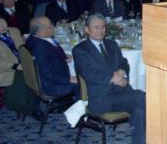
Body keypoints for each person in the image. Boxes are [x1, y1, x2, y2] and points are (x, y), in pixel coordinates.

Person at [73, 14, 146, 144]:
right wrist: (113, 79)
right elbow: (89, 73)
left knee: (139, 110)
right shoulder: (80, 50)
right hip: (102, 98)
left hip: (122, 92)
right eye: (96, 27)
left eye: (103, 27)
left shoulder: (111, 44)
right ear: (87, 30)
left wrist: (122, 72)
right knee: (143, 97)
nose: (101, 30)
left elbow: (124, 62)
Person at [26, 17, 78, 99]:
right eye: (50, 27)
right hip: (53, 85)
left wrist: (62, 57)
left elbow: (49, 56)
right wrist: (69, 79)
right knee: (85, 80)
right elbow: (48, 74)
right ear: (40, 31)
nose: (53, 28)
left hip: (58, 72)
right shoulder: (39, 48)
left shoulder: (35, 38)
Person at [0, 18, 34, 113]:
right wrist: (16, 66)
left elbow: (23, 48)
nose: (3, 26)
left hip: (22, 63)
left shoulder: (14, 31)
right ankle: (24, 106)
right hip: (5, 70)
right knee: (26, 78)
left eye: (4, 23)